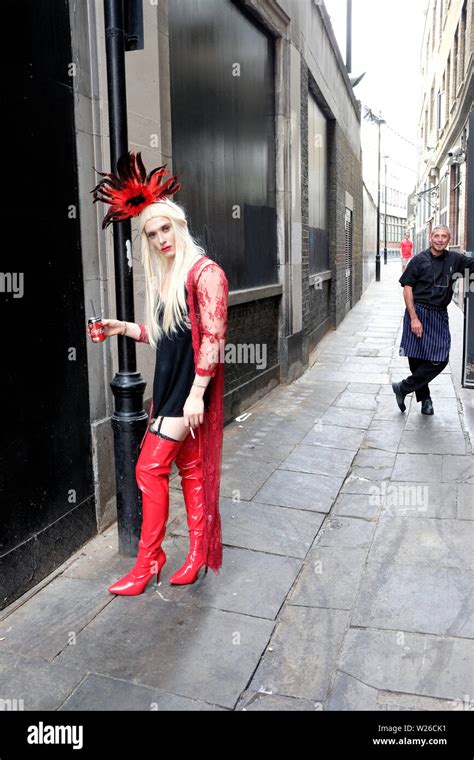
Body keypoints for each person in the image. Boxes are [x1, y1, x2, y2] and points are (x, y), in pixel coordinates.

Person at [89, 151, 228, 594]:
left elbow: (214, 338)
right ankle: (196, 554)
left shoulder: (206, 273)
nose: (160, 238)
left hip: (185, 394)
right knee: (187, 470)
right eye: (152, 234)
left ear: (180, 226)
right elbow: (168, 337)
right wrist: (122, 328)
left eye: (165, 228)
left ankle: (149, 562)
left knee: (148, 470)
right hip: (174, 390)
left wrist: (196, 395)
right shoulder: (171, 277)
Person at [392, 225, 474, 415]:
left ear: (448, 239)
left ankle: (403, 387)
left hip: (439, 314)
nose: (439, 239)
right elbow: (407, 288)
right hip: (418, 312)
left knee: (440, 359)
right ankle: (425, 399)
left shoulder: (456, 259)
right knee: (416, 358)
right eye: (436, 236)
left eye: (443, 236)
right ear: (430, 238)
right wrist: (414, 318)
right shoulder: (418, 260)